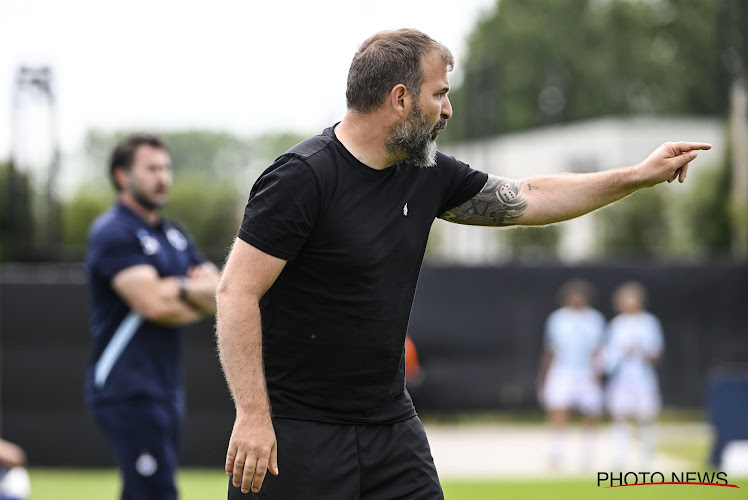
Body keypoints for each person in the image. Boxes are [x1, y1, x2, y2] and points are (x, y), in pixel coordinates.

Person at [215, 28, 710, 499]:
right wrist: (254, 415)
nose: (448, 109)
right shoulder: (303, 177)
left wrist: (636, 176)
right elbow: (236, 292)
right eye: (439, 94)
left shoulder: (424, 173)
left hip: (390, 426)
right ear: (401, 97)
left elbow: (528, 197)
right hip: (299, 429)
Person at [85, 133, 220, 500]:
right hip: (126, 388)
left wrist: (172, 287)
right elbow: (153, 306)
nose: (163, 177)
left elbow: (220, 291)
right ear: (121, 176)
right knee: (155, 491)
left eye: (166, 168)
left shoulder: (174, 234)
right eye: (151, 169)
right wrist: (190, 290)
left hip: (164, 387)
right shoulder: (114, 231)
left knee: (145, 490)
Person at [536, 279, 606, 469]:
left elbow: (598, 350)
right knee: (558, 412)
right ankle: (556, 454)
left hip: (586, 374)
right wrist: (544, 376)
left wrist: (598, 375)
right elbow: (550, 349)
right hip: (562, 372)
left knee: (590, 413)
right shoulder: (557, 319)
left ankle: (587, 455)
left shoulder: (594, 319)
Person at [603, 281, 664, 469]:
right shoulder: (616, 324)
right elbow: (608, 354)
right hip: (621, 379)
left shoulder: (649, 323)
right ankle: (619, 457)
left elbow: (656, 353)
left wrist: (641, 351)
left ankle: (646, 457)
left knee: (646, 417)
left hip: (643, 379)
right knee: (620, 416)